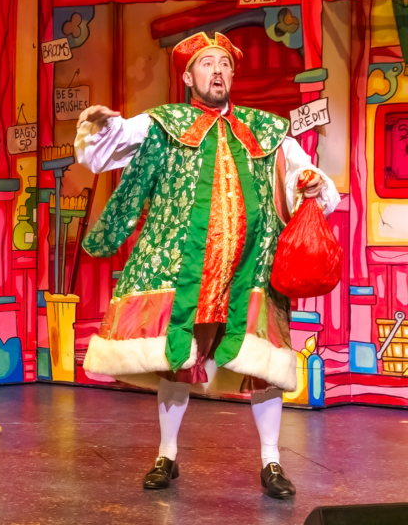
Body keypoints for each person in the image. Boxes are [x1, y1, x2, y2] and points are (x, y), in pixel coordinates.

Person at [75, 31, 340, 498]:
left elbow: (313, 184)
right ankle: (167, 454)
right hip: (189, 272)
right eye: (206, 64)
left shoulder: (267, 129)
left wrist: (312, 184)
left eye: (224, 64)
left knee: (266, 367)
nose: (216, 71)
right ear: (188, 76)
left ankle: (272, 462)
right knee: (179, 362)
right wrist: (102, 124)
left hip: (250, 273)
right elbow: (105, 150)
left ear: (233, 75)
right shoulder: (166, 122)